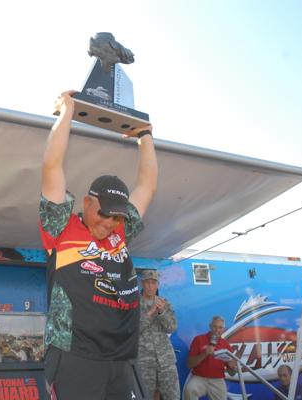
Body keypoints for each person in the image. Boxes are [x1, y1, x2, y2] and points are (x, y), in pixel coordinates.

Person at [39, 90, 158, 399]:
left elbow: (147, 186)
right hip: (75, 356)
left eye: (116, 217)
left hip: (119, 358)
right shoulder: (62, 227)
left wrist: (145, 136)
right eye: (103, 213)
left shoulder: (120, 232)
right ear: (87, 202)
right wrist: (68, 113)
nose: (109, 222)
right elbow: (52, 167)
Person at [137, 269, 179, 400]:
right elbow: (133, 330)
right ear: (142, 284)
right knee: (144, 396)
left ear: (158, 285)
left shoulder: (164, 303)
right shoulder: (134, 304)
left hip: (166, 360)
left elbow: (171, 328)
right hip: (144, 361)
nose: (150, 286)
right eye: (147, 282)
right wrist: (150, 313)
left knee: (172, 396)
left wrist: (161, 313)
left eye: (153, 282)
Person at [183, 316, 237, 400]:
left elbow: (232, 373)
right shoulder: (198, 339)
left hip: (217, 380)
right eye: (215, 326)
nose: (217, 330)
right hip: (199, 377)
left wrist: (232, 367)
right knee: (189, 389)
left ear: (223, 329)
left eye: (220, 327)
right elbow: (189, 364)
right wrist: (205, 353)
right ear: (210, 326)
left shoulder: (226, 344)